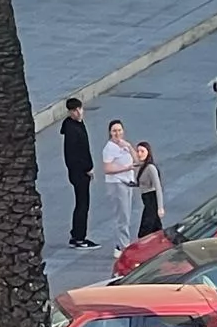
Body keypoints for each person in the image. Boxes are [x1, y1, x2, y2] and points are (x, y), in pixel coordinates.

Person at [61, 97, 97, 250]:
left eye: (79, 109)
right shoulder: (72, 130)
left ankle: (77, 233)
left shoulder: (76, 125)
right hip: (79, 173)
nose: (79, 112)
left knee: (82, 203)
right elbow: (77, 154)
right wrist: (88, 168)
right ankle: (79, 237)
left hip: (79, 172)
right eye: (75, 110)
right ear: (70, 112)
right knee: (82, 204)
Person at [102, 119, 138, 249]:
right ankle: (123, 245)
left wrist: (128, 146)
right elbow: (107, 169)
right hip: (117, 183)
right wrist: (126, 168)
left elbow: (137, 160)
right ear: (110, 133)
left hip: (128, 183)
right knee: (122, 216)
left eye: (119, 130)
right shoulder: (109, 148)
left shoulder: (124, 145)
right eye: (114, 131)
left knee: (127, 214)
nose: (117, 133)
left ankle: (122, 244)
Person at [133, 142, 165, 240]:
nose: (139, 154)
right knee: (156, 227)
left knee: (145, 229)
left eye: (142, 151)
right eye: (138, 151)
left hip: (152, 199)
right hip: (147, 200)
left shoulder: (150, 168)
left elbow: (158, 187)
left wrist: (160, 207)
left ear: (148, 152)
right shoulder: (140, 166)